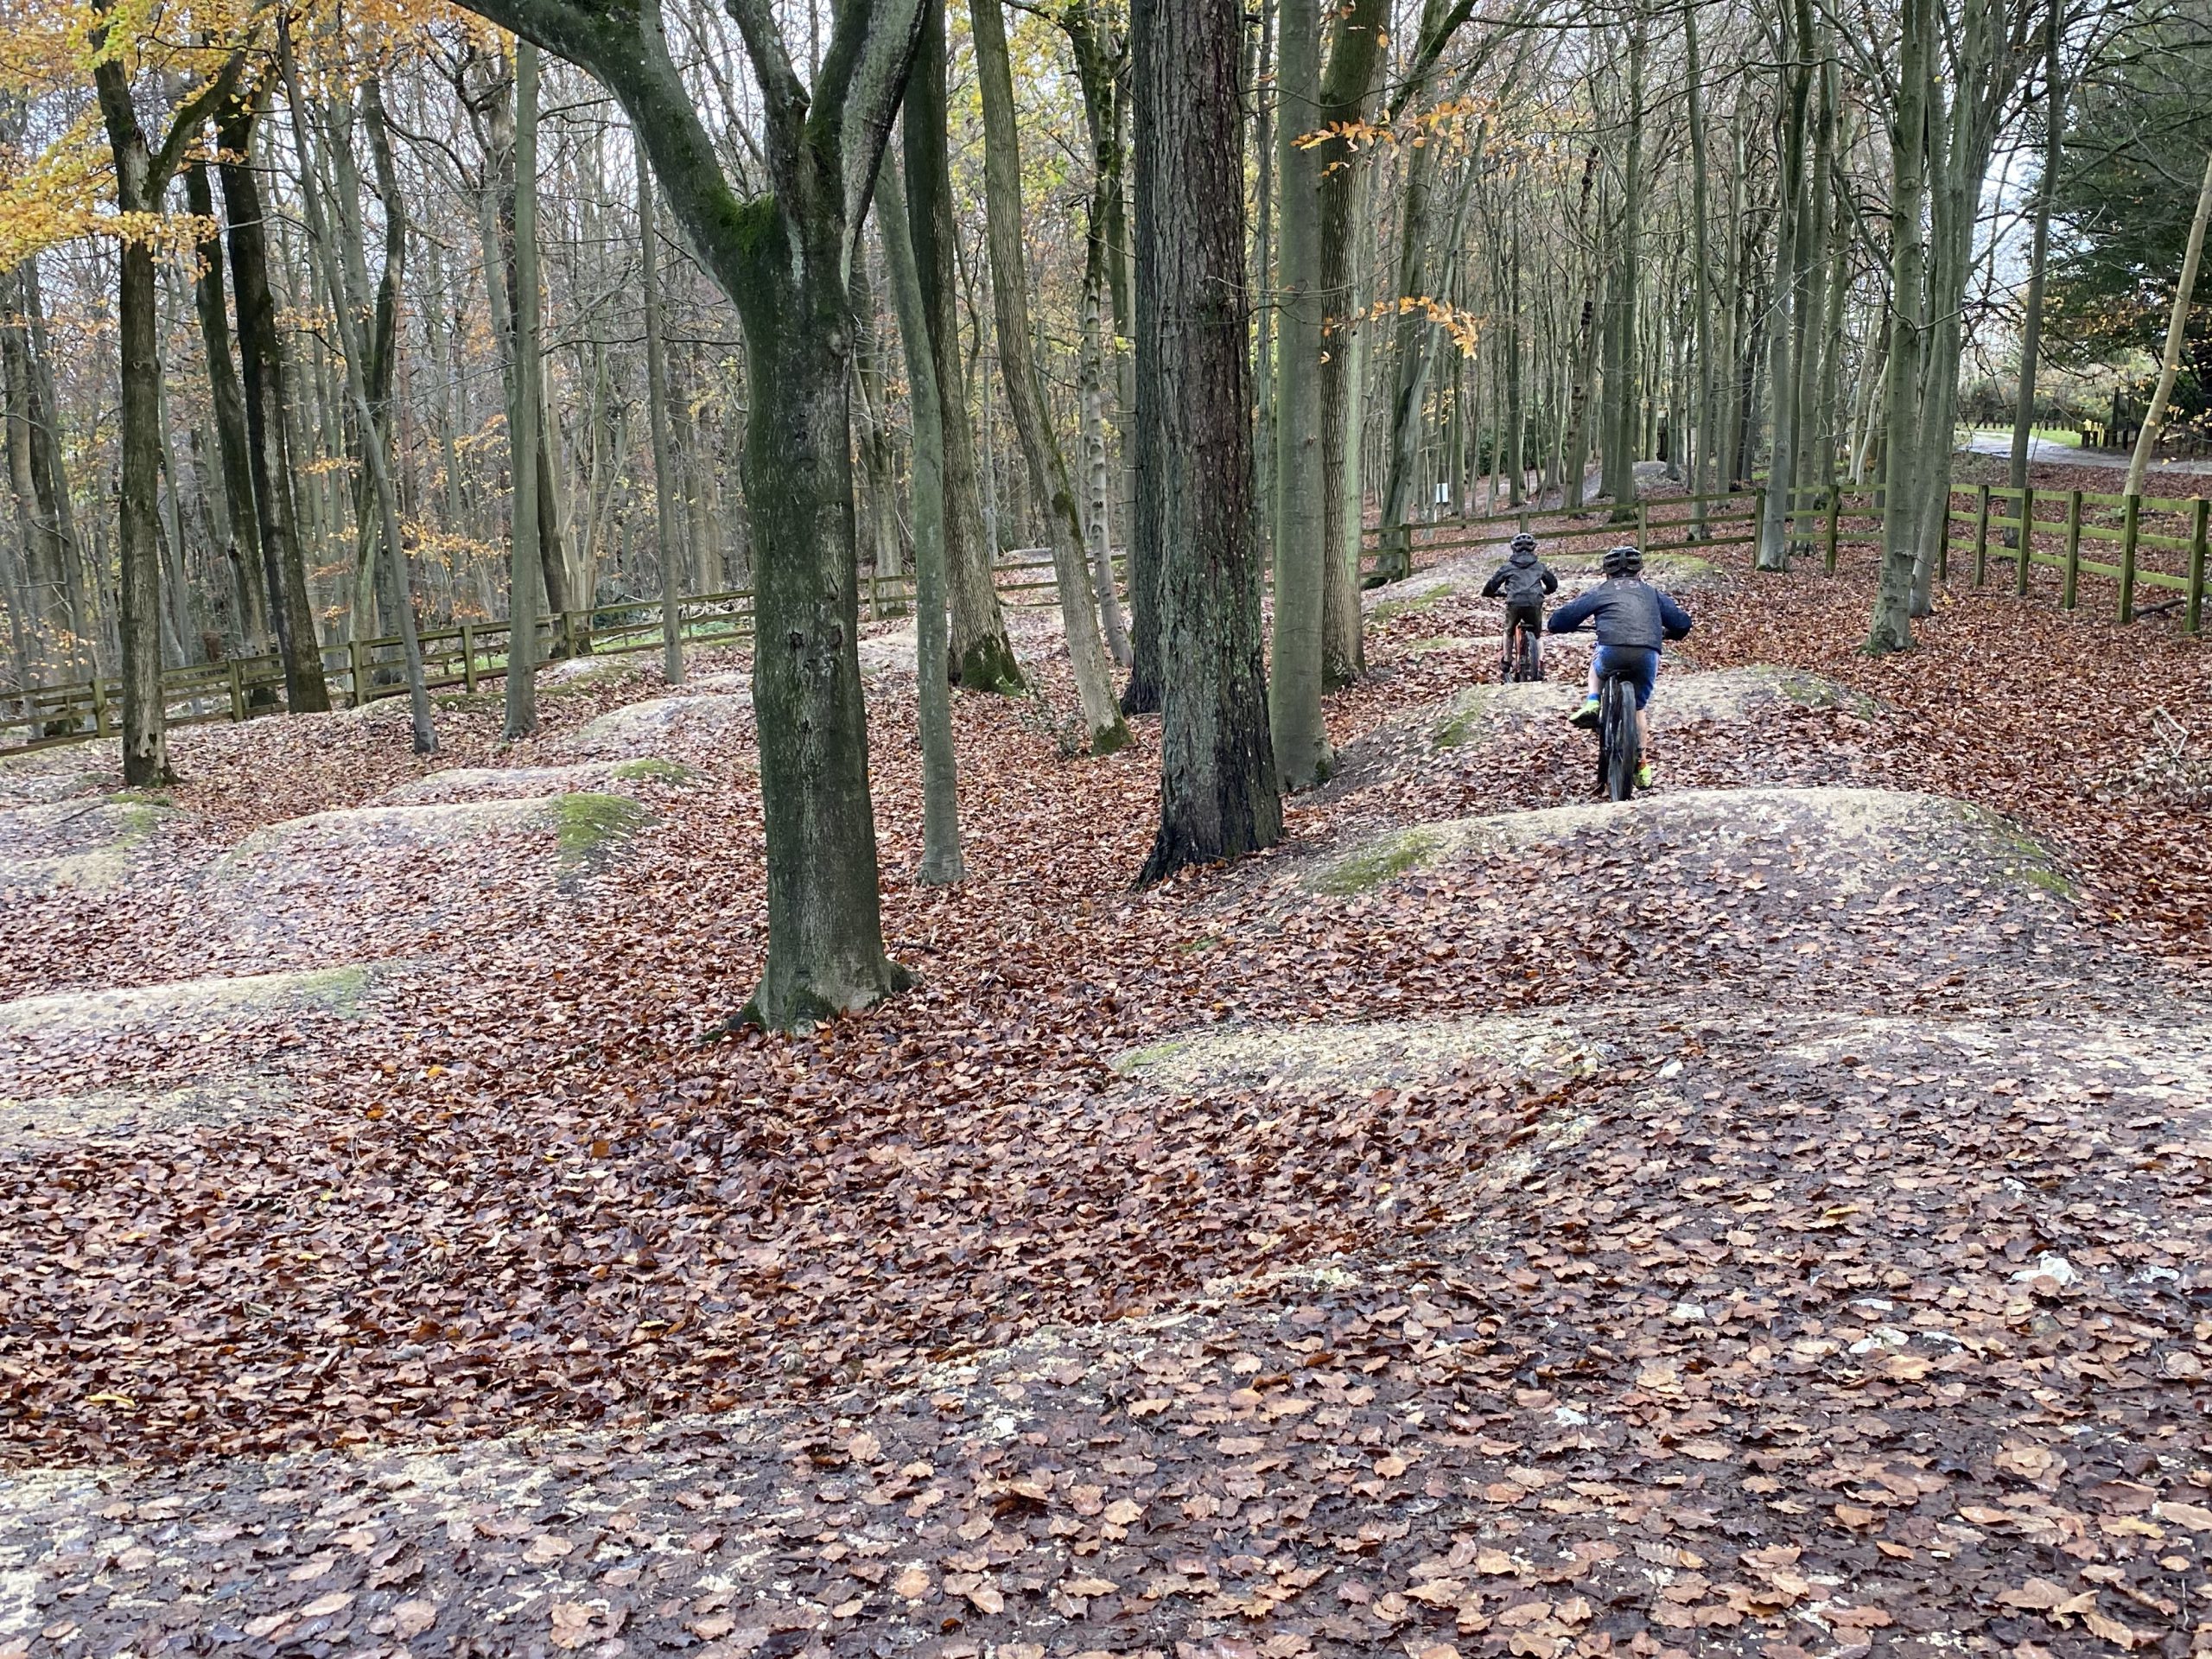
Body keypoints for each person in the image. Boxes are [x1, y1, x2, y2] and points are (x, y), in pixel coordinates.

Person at [1544, 544, 1693, 788]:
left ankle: (1593, 701)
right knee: (1639, 708)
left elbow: (1559, 620)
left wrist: (1564, 627)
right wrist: (1671, 633)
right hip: (1647, 652)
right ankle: (1642, 765)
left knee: (1596, 666)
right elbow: (1682, 622)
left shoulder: (1601, 592)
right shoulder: (1651, 592)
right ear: (1640, 572)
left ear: (1606, 573)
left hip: (1612, 649)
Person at [1481, 532, 1559, 661]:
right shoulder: (1539, 566)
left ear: (1513, 548)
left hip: (1515, 601)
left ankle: (1507, 659)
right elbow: (1553, 584)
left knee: (1508, 631)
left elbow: (1492, 585)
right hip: (1534, 601)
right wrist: (1546, 591)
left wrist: (1489, 593)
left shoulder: (1507, 567)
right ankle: (1540, 663)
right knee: (1537, 635)